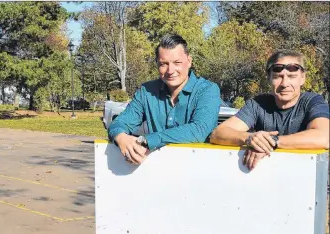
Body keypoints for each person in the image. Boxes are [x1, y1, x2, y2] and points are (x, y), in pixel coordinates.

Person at [108, 34, 221, 165]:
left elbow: (200, 130)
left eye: (177, 63)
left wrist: (148, 141)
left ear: (189, 61)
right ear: (157, 63)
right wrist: (120, 137)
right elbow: (120, 122)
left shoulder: (208, 90)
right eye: (163, 64)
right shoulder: (147, 91)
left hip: (199, 169)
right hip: (158, 171)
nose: (170, 70)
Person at [209, 50, 329, 170]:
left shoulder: (313, 101)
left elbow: (324, 137)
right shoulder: (258, 104)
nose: (285, 83)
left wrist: (272, 142)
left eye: (292, 77)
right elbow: (217, 134)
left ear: (302, 78)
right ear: (268, 78)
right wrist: (251, 139)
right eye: (278, 77)